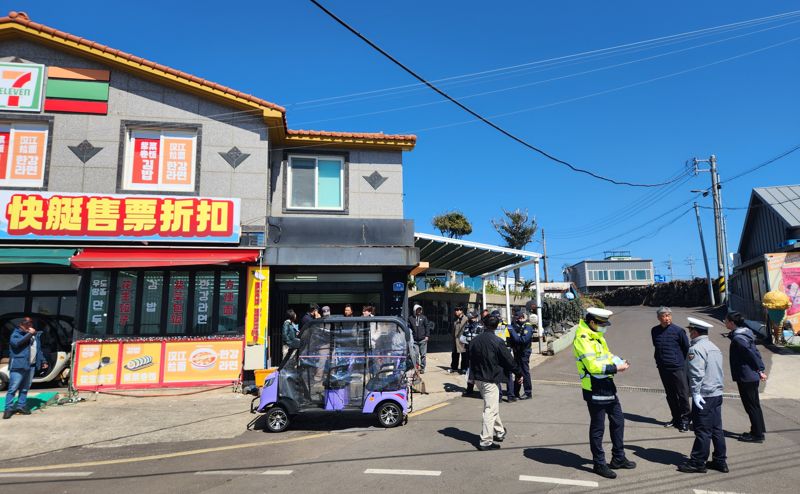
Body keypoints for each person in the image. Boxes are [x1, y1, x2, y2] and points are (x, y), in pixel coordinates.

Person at [573, 308, 636, 479]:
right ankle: (599, 464)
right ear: (592, 322)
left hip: (607, 385)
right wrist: (617, 368)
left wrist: (619, 360)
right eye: (602, 324)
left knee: (618, 421)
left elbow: (606, 355)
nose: (604, 327)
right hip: (594, 387)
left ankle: (618, 458)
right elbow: (593, 367)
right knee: (598, 427)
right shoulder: (583, 339)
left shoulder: (597, 336)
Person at [678, 317, 728, 474]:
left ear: (694, 331)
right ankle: (720, 461)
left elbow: (696, 374)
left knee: (702, 430)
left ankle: (698, 462)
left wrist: (696, 393)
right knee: (716, 429)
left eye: (690, 330)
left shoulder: (696, 349)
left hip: (704, 395)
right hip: (716, 393)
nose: (689, 333)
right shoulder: (713, 347)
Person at [469, 315, 521, 451]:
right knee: (490, 410)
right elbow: (508, 360)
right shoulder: (497, 341)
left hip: (478, 378)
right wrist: (518, 373)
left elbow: (470, 359)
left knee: (491, 406)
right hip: (490, 379)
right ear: (497, 326)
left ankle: (499, 431)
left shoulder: (474, 340)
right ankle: (485, 440)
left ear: (484, 324)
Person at [726, 311, 767, 443]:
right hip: (750, 375)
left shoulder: (739, 338)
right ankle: (759, 430)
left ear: (732, 323)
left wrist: (760, 369)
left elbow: (751, 355)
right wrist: (759, 369)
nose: (725, 322)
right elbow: (754, 352)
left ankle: (757, 435)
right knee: (754, 404)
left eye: (726, 321)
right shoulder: (745, 333)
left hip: (746, 376)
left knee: (751, 405)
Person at [651, 306, 691, 432]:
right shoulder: (654, 331)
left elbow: (686, 349)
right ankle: (676, 418)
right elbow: (656, 347)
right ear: (659, 318)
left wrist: (681, 363)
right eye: (664, 316)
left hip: (678, 368)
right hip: (663, 368)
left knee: (682, 395)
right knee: (670, 395)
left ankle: (685, 420)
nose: (667, 318)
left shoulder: (679, 331)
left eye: (669, 316)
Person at [4, 316, 47, 419]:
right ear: (21, 325)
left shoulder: (34, 335)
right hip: (18, 365)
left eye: (30, 324)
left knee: (25, 388)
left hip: (30, 365)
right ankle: (8, 409)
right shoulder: (16, 333)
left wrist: (43, 360)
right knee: (13, 388)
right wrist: (30, 334)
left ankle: (21, 406)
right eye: (26, 325)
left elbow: (38, 349)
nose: (29, 326)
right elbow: (17, 343)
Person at [508, 308, 534, 400]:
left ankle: (528, 392)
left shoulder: (528, 326)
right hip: (517, 352)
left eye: (517, 318)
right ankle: (516, 391)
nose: (516, 320)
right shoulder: (517, 325)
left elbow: (523, 340)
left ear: (522, 317)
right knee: (517, 371)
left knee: (524, 372)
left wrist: (512, 332)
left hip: (524, 352)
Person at [461, 310, 484, 397]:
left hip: (478, 352)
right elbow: (462, 338)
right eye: (469, 318)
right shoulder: (467, 326)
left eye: (472, 318)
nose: (470, 319)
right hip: (469, 351)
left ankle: (482, 390)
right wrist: (467, 341)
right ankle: (469, 389)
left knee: (480, 370)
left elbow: (482, 339)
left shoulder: (481, 326)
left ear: (476, 317)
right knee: (469, 371)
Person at [408, 304, 431, 373]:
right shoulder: (410, 318)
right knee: (415, 355)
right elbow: (409, 328)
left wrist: (427, 336)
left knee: (423, 355)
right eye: (418, 309)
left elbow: (427, 326)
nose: (419, 311)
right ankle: (417, 367)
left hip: (423, 339)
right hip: (415, 340)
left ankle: (423, 368)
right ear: (415, 310)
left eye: (420, 309)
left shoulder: (424, 318)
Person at [450, 306, 468, 374]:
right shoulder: (455, 319)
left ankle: (464, 368)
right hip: (455, 340)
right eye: (455, 310)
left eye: (458, 310)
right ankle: (454, 368)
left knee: (464, 355)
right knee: (454, 355)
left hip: (463, 340)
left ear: (461, 311)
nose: (456, 311)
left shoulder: (465, 319)